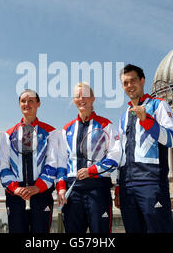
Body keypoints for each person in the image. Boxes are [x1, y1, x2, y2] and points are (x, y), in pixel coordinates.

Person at [114, 64, 173, 233]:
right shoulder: (124, 116)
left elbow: (171, 139)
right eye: (125, 83)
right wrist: (119, 187)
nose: (129, 86)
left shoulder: (159, 105)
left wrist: (147, 120)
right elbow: (121, 154)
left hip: (151, 182)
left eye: (133, 81)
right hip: (127, 186)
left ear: (142, 81)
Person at [56, 82, 121, 233]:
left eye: (85, 95)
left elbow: (115, 157)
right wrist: (60, 188)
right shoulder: (67, 129)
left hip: (98, 190)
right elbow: (61, 163)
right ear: (73, 101)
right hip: (73, 194)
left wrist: (92, 170)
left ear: (93, 98)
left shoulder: (106, 125)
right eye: (77, 96)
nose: (81, 99)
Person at [0, 89, 62, 233]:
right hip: (16, 196)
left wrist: (37, 187)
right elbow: (3, 167)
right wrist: (16, 188)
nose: (27, 104)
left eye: (31, 100)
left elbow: (52, 164)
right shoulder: (8, 134)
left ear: (38, 103)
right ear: (19, 104)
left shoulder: (50, 132)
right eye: (23, 101)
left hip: (41, 194)